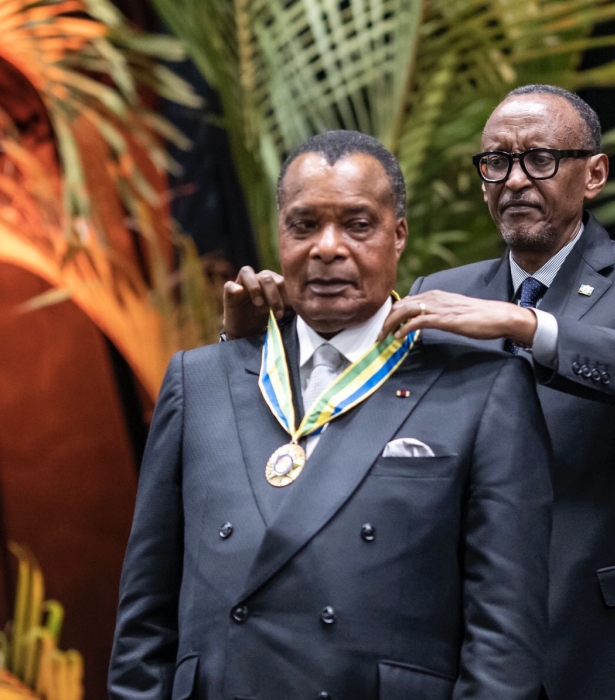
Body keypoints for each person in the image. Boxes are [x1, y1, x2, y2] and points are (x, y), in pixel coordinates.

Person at [223, 86, 615, 699]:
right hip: (475, 651)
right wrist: (251, 344)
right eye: (497, 161)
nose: (515, 179)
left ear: (594, 173)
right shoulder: (439, 291)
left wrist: (526, 325)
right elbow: (340, 414)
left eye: (540, 158)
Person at [111, 130, 553, 700]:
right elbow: (143, 619)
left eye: (357, 225)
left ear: (398, 237)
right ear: (279, 236)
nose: (327, 248)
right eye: (304, 225)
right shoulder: (198, 380)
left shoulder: (482, 387)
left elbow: (504, 643)